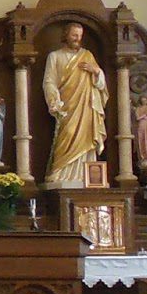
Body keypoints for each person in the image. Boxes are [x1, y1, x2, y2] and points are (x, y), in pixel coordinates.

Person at [41, 22, 108, 188]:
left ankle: (84, 175)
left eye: (80, 35)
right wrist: (54, 100)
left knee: (87, 137)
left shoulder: (87, 55)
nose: (78, 39)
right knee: (68, 133)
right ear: (66, 35)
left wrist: (96, 71)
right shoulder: (55, 56)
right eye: (74, 35)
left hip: (86, 107)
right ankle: (60, 172)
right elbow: (49, 80)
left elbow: (101, 85)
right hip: (67, 106)